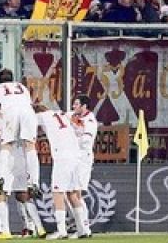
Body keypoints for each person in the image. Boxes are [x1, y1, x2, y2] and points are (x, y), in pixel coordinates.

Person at [33, 103, 88, 239]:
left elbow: (30, 127)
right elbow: (79, 122)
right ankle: (83, 230)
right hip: (76, 155)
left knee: (58, 192)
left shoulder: (40, 116)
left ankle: (61, 231)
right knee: (73, 193)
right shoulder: (61, 114)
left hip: (63, 157)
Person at [0, 68, 40, 199]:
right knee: (30, 146)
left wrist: (0, 116)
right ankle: (34, 182)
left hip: (10, 112)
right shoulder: (22, 87)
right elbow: (29, 104)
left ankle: (1, 178)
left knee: (6, 146)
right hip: (28, 112)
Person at [69, 94, 98, 238]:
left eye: (76, 104)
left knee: (76, 193)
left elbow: (86, 141)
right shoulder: (74, 116)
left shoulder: (90, 120)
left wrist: (71, 139)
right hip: (74, 158)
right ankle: (81, 226)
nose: (73, 107)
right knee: (71, 193)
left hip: (83, 159)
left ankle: (84, 228)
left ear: (84, 106)